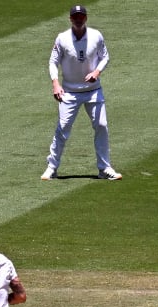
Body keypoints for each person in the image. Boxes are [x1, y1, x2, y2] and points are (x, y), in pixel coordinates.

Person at [41, 5, 122, 181]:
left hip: (93, 91)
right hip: (69, 92)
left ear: (85, 18)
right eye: (75, 16)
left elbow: (105, 57)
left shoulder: (96, 36)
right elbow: (52, 62)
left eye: (81, 16)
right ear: (71, 19)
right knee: (62, 129)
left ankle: (104, 168)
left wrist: (97, 72)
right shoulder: (62, 38)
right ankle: (52, 167)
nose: (78, 19)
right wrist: (56, 84)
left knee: (101, 126)